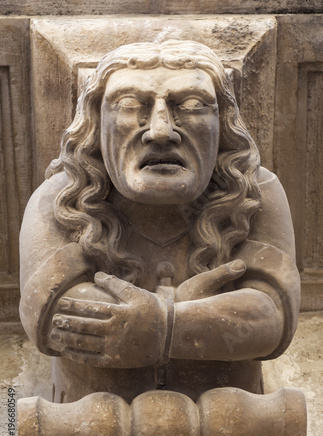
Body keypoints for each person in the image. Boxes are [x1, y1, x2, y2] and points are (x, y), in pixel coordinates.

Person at [19, 40, 300, 405]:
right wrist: (193, 315)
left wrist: (161, 326)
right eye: (130, 105)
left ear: (224, 127)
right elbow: (54, 317)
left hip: (230, 414)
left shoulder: (257, 190)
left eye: (194, 106)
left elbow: (273, 316)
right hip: (91, 415)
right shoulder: (60, 196)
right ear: (95, 126)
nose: (161, 130)